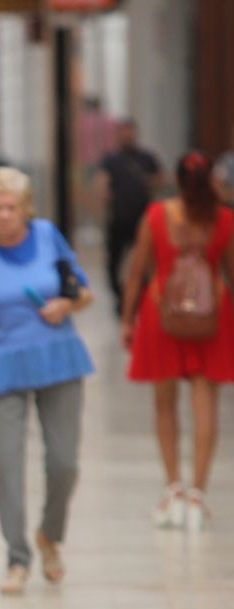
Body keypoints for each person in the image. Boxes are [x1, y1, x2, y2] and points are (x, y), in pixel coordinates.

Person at [0, 166, 95, 595]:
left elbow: (83, 291)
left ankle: (49, 535)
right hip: (1, 364)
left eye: (11, 207)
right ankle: (17, 557)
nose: (3, 215)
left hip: (58, 357)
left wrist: (65, 307)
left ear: (26, 209)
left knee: (64, 462)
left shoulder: (49, 236)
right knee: (5, 465)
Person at [122, 151, 234, 531]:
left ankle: (172, 489)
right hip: (211, 319)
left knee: (164, 406)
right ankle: (198, 495)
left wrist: (126, 320)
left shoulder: (157, 216)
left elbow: (137, 271)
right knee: (206, 406)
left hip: (161, 315)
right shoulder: (223, 221)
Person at [96, 119, 163, 316]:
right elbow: (101, 183)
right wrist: (104, 195)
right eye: (122, 132)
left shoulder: (146, 158)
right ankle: (120, 297)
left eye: (129, 132)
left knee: (144, 260)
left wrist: (147, 181)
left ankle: (140, 296)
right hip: (118, 218)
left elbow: (159, 179)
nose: (126, 136)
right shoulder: (110, 159)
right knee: (114, 261)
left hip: (142, 219)